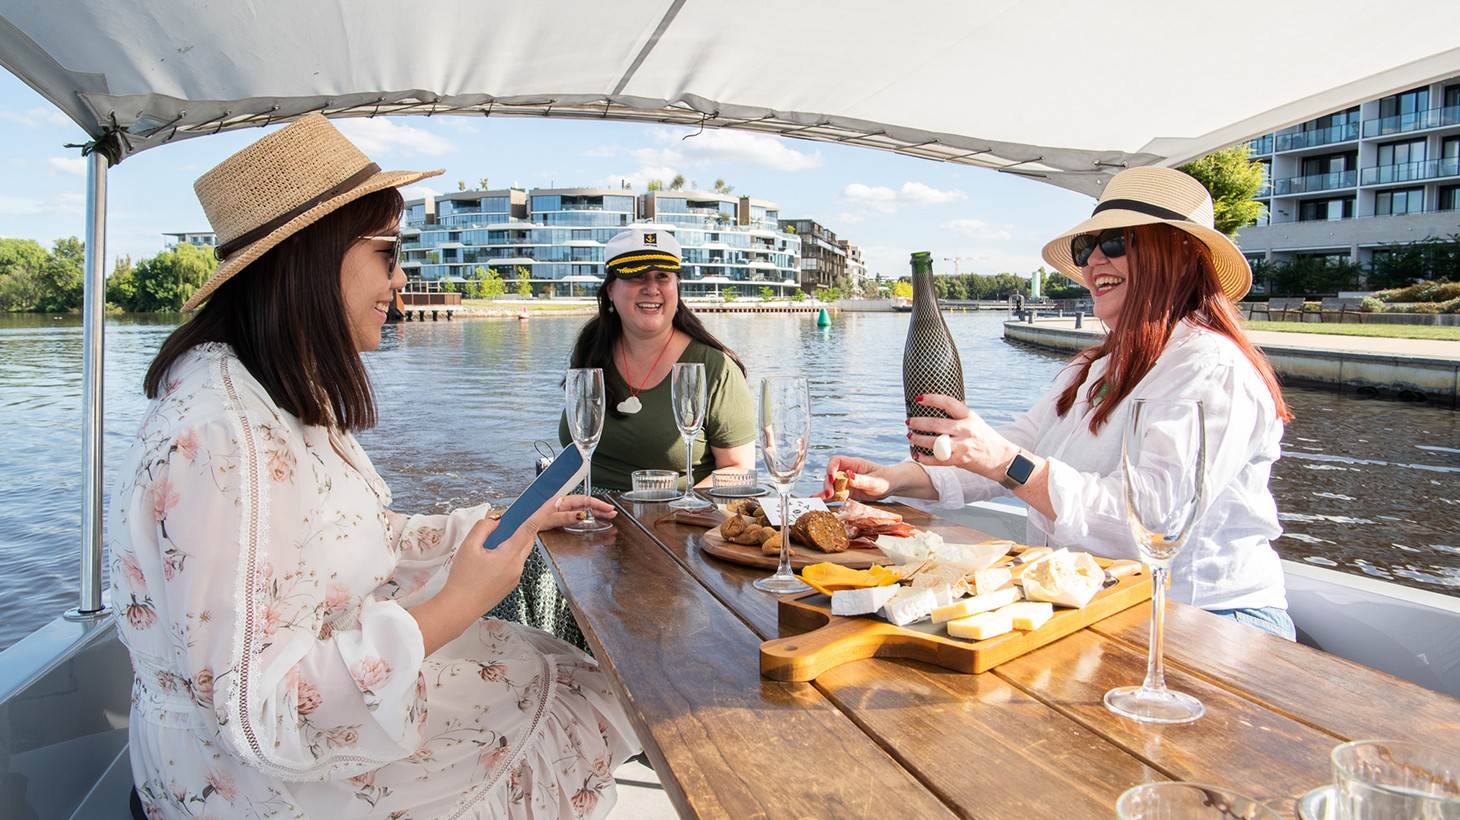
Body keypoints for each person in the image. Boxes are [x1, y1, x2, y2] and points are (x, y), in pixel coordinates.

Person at [109, 114, 639, 819]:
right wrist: (455, 604)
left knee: (564, 676)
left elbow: (352, 540)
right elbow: (256, 714)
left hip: (296, 734)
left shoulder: (276, 395)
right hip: (254, 785)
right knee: (571, 698)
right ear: (313, 255)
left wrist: (491, 526)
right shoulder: (220, 438)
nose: (401, 278)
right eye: (388, 252)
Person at [820, 166, 1296, 640]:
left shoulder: (1213, 368)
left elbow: (1152, 524)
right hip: (1107, 605)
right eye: (1085, 248)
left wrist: (1007, 463)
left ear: (1178, 254)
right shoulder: (1093, 367)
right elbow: (1012, 446)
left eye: (1114, 242)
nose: (1092, 263)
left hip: (1208, 619)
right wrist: (889, 480)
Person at [559, 226, 756, 491]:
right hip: (581, 515)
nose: (651, 289)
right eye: (637, 276)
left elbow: (739, 469)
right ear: (610, 291)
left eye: (662, 277)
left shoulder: (716, 368)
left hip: (668, 521)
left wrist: (675, 509)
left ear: (677, 287)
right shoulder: (591, 350)